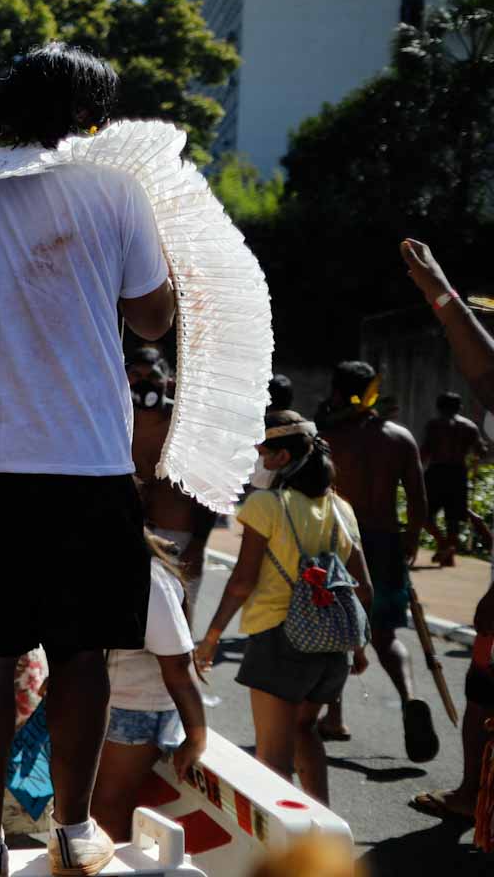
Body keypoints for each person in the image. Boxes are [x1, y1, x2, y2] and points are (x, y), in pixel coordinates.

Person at [0, 43, 175, 877]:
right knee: (85, 652)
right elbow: (154, 320)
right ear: (90, 119)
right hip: (91, 460)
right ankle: (75, 832)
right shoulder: (117, 191)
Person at [195, 412, 373, 804]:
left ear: (279, 458)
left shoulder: (266, 505)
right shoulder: (341, 509)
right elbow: (364, 589)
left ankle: (285, 856)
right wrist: (357, 647)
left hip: (279, 640)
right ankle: (322, 827)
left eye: (260, 452)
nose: (256, 460)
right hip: (332, 647)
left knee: (272, 760)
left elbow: (242, 582)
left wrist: (210, 638)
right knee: (305, 732)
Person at [399, 239, 494, 826]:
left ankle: (472, 796)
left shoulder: (440, 426)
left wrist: (441, 292)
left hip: (445, 476)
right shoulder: (462, 425)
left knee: (484, 685)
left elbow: (486, 371)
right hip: (458, 478)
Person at [310, 361, 439, 760]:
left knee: (334, 631)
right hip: (384, 543)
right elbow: (419, 502)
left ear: (336, 391)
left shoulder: (327, 438)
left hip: (338, 543)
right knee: (385, 635)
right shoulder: (399, 437)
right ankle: (409, 696)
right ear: (373, 391)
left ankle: (334, 716)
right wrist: (411, 541)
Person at [89, 534, 207, 841]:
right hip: (111, 703)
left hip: (133, 710)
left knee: (106, 811)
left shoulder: (148, 576)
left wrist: (196, 737)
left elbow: (178, 666)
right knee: (97, 809)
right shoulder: (112, 565)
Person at [130, 359, 211, 619]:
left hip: (179, 539)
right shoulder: (115, 420)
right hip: (128, 536)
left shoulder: (186, 425)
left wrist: (198, 544)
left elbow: (206, 486)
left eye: (152, 375)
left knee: (178, 622)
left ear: (169, 381)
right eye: (135, 374)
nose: (143, 382)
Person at [422, 391, 490, 563]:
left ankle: (444, 544)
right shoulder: (469, 427)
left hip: (436, 472)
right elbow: (481, 452)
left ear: (439, 407)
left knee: (424, 514)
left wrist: (414, 471)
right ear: (459, 407)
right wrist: (481, 449)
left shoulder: (434, 425)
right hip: (458, 473)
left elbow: (425, 451)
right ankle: (448, 550)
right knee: (453, 518)